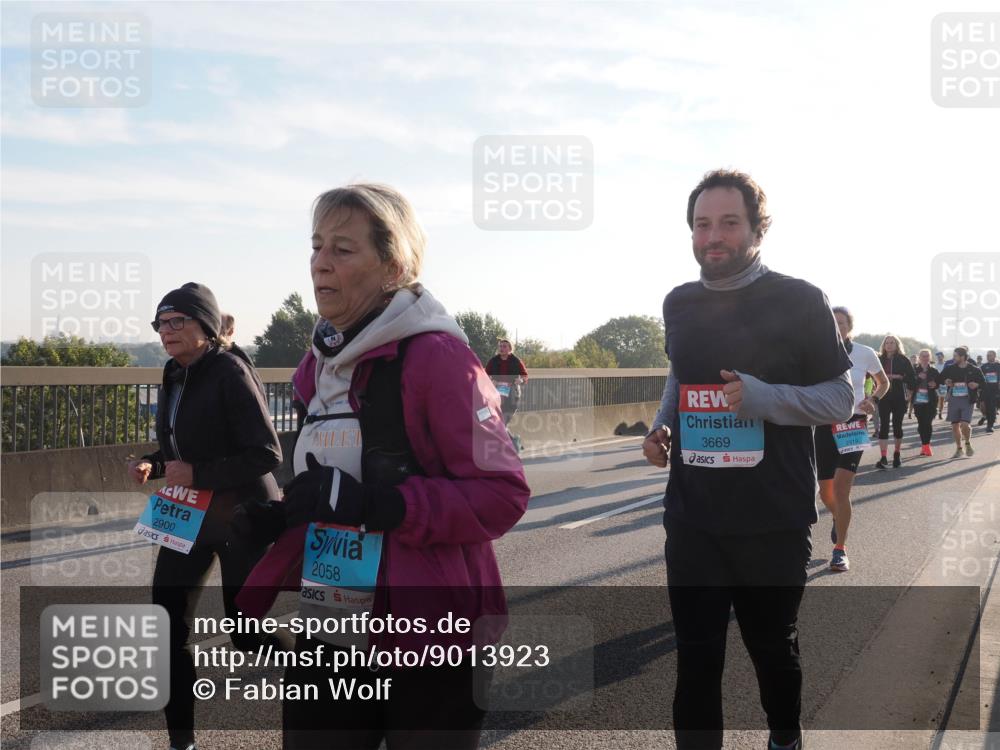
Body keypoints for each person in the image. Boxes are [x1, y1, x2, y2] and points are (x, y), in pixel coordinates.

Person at [235, 183, 530, 750]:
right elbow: (333, 485)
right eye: (316, 246)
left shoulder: (441, 359)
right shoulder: (315, 366)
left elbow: (503, 494)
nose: (320, 262)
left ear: (393, 266)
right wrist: (283, 517)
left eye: (343, 250)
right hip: (334, 614)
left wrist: (381, 505)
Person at [642, 169, 853, 750]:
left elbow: (841, 396)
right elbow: (681, 374)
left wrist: (767, 398)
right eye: (703, 224)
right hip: (692, 518)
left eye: (729, 223)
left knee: (772, 650)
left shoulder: (800, 299)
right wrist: (663, 423)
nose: (714, 236)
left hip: (772, 519)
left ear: (757, 229)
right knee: (696, 659)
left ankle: (785, 739)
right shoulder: (678, 303)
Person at [127, 282, 284, 750]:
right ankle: (182, 743)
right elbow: (183, 443)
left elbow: (267, 453)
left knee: (246, 633)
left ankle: (323, 661)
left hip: (241, 516)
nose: (167, 331)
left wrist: (197, 471)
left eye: (178, 321)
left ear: (206, 326)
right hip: (185, 514)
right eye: (161, 323)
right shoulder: (174, 373)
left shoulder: (230, 371)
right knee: (166, 626)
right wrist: (155, 462)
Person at [814, 307, 888, 572]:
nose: (836, 325)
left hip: (854, 422)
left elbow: (883, 382)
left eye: (841, 322)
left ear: (850, 326)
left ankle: (840, 549)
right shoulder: (816, 352)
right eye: (832, 321)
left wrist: (873, 399)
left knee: (842, 489)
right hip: (824, 424)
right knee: (826, 493)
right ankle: (838, 517)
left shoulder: (864, 353)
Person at [875, 335, 915, 469]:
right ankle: (883, 457)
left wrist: (900, 378)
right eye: (887, 343)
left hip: (899, 396)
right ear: (884, 345)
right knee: (884, 425)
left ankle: (897, 454)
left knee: (897, 425)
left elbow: (911, 378)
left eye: (892, 343)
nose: (889, 345)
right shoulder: (879, 359)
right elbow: (870, 374)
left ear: (897, 345)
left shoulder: (903, 360)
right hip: (883, 396)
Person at [940, 346, 986, 457]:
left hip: (967, 400)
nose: (953, 357)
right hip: (954, 399)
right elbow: (940, 378)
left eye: (955, 356)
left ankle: (967, 443)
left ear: (963, 357)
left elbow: (983, 383)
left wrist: (976, 384)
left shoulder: (974, 369)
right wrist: (946, 381)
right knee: (955, 425)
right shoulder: (950, 368)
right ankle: (959, 448)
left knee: (965, 424)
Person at [484, 339, 529, 425]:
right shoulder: (493, 361)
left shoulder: (516, 361)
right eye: (500, 346)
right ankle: (501, 430)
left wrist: (521, 380)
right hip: (496, 391)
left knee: (507, 414)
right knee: (493, 413)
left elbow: (525, 376)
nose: (501, 348)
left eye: (504, 346)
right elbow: (484, 375)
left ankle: (503, 429)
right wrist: (490, 381)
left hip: (512, 391)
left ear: (510, 348)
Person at [911, 349, 942, 455]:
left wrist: (935, 385)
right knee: (921, 424)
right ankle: (924, 445)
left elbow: (939, 382)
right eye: (923, 356)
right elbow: (910, 384)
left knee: (927, 423)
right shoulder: (914, 370)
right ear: (919, 358)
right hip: (918, 401)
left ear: (930, 358)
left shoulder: (934, 371)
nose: (925, 358)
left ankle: (926, 446)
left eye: (927, 356)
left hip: (931, 401)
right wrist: (918, 378)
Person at [979, 350, 999, 433]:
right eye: (987, 355)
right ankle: (987, 418)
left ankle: (990, 425)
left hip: (996, 390)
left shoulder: (998, 366)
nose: (988, 356)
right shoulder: (984, 367)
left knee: (992, 407)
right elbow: (979, 378)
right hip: (985, 390)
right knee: (984, 407)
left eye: (990, 355)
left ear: (994, 356)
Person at [935, 352, 951, 419]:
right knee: (935, 399)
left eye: (940, 356)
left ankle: (940, 413)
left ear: (943, 356)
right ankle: (935, 411)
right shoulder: (935, 365)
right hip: (936, 384)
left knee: (941, 399)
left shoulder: (946, 365)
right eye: (937, 356)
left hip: (944, 384)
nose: (939, 357)